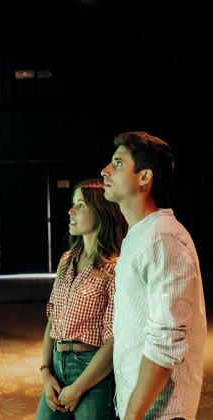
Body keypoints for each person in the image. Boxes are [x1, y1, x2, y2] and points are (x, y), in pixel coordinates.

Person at [101, 131, 207, 420]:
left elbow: (165, 342)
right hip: (141, 407)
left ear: (144, 177)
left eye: (118, 163)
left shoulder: (163, 239)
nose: (105, 170)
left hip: (161, 412)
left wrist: (132, 416)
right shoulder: (139, 235)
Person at [36, 178, 128, 419]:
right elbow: (52, 319)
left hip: (92, 371)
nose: (71, 211)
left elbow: (114, 341)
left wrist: (78, 388)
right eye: (73, 203)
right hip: (57, 365)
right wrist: (46, 372)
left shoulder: (115, 267)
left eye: (81, 205)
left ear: (102, 213)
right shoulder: (68, 258)